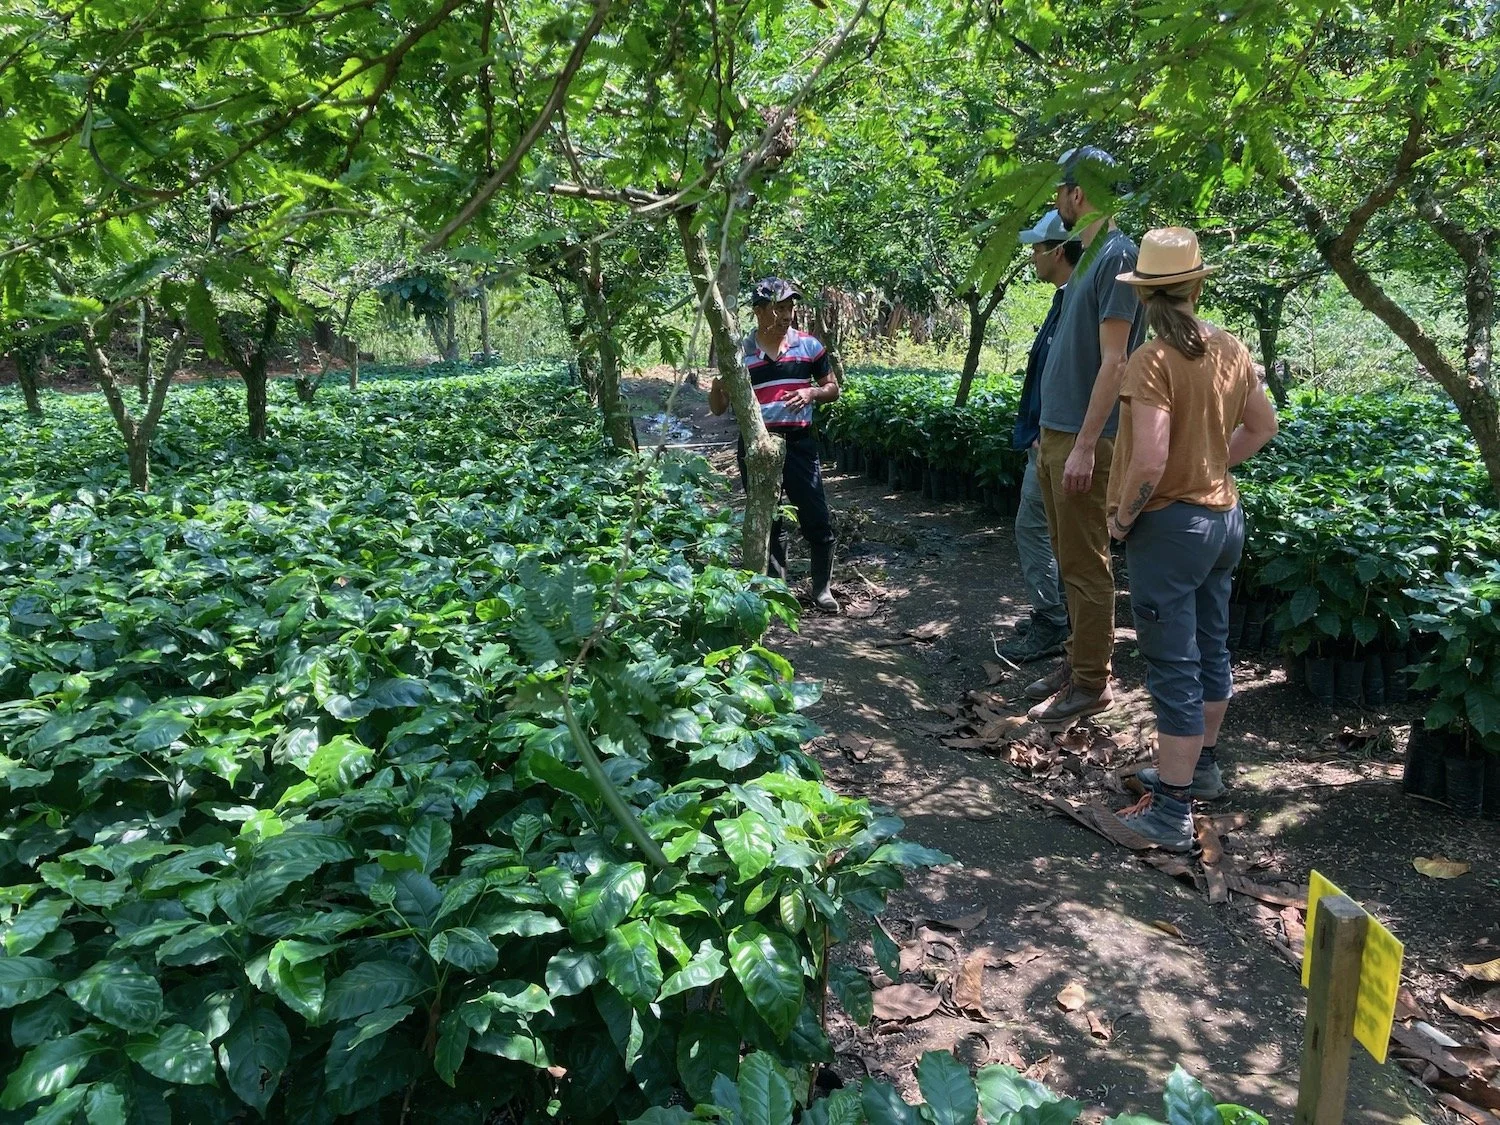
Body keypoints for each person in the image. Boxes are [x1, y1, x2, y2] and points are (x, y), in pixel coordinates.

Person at [1101, 226, 1279, 850]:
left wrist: (1123, 520)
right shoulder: (1229, 348)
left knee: (1172, 663)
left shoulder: (1151, 359)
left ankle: (1170, 813)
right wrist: (1211, 464)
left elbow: (1147, 462)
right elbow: (1264, 425)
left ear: (1145, 296)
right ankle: (1200, 769)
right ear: (1197, 284)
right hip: (1224, 520)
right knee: (1211, 647)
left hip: (1172, 528)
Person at [1025, 146, 1147, 724]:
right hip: (1058, 434)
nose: (1056, 202)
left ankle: (1092, 682)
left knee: (1085, 563)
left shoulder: (1119, 256)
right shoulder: (1090, 256)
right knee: (1067, 556)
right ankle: (1077, 662)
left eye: (1059, 192)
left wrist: (1081, 445)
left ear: (1077, 194)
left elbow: (1115, 361)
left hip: (1085, 440)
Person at [708, 277, 841, 613]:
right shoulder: (738, 354)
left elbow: (832, 389)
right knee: (769, 520)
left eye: (790, 307)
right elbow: (718, 408)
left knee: (816, 516)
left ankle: (822, 590)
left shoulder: (809, 347)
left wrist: (812, 392)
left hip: (798, 444)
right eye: (779, 307)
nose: (787, 314)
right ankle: (775, 591)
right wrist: (718, 385)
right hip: (756, 446)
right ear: (758, 311)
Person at [999, 210, 1080, 664]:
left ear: (1059, 251)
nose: (1032, 255)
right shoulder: (1062, 301)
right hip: (1046, 440)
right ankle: (1057, 616)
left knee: (1036, 529)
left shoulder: (1076, 305)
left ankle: (1054, 620)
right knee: (1045, 531)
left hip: (1059, 444)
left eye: (1037, 248)